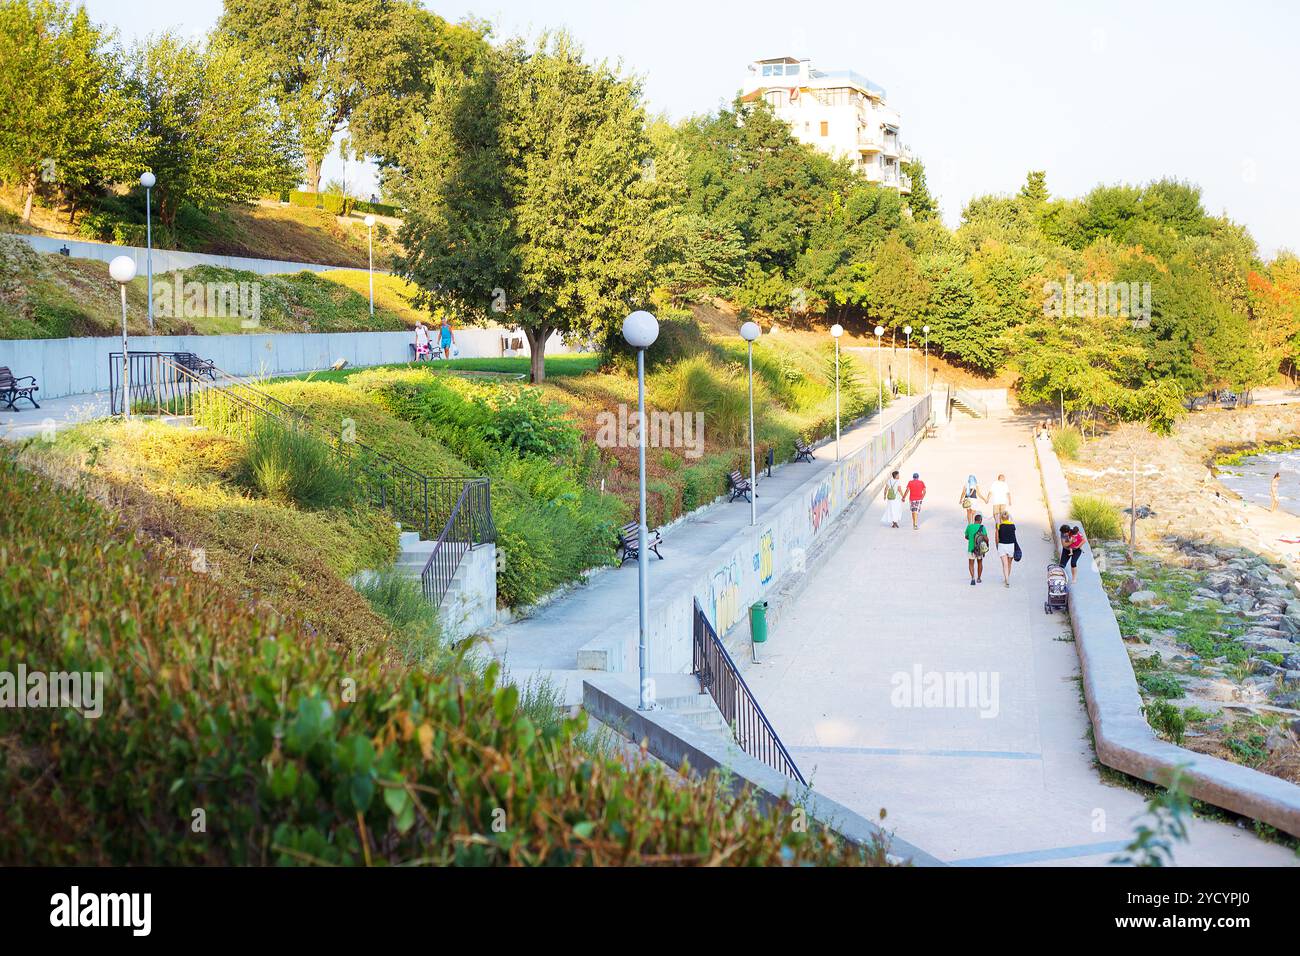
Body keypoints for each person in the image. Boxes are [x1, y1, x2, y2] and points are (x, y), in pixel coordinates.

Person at [996, 511, 1019, 587]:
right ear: (1008, 517)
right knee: (1009, 564)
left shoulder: (999, 526)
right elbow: (1012, 520)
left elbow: (997, 537)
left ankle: (1006, 579)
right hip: (1011, 546)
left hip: (1002, 545)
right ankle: (1007, 578)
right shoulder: (1012, 526)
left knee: (1005, 564)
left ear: (1001, 518)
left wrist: (997, 545)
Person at [965, 512, 989, 585]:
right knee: (980, 562)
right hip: (979, 549)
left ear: (974, 520)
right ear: (980, 520)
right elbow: (986, 539)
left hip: (971, 549)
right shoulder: (982, 527)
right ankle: (979, 578)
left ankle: (972, 578)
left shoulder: (969, 526)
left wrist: (971, 537)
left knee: (971, 563)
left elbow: (966, 537)